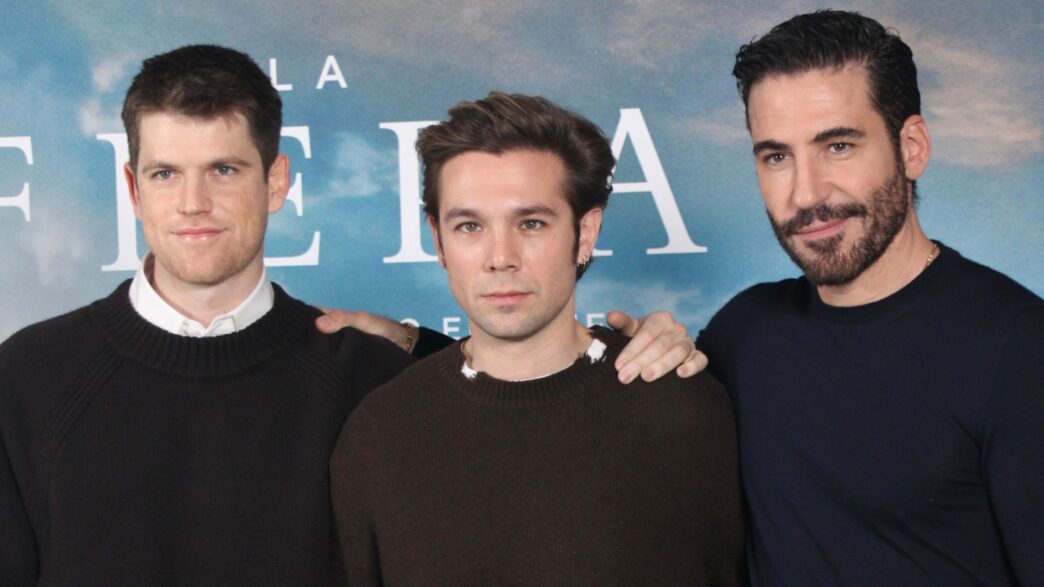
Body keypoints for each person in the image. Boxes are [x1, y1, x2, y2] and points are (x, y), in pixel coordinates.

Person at [0, 45, 703, 586]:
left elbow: (514, 377)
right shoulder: (29, 377)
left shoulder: (367, 376)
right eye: (165, 173)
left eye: (223, 170)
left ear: (275, 181)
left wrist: (627, 344)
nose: (192, 204)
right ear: (131, 186)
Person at [330, 92, 745, 586]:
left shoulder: (685, 410)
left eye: (530, 223)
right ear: (438, 241)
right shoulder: (378, 434)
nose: (500, 256)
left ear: (585, 231)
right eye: (469, 226)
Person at [697, 10, 1044, 585]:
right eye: (777, 156)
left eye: (837, 145)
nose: (806, 194)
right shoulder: (742, 333)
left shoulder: (1019, 347)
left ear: (911, 147)